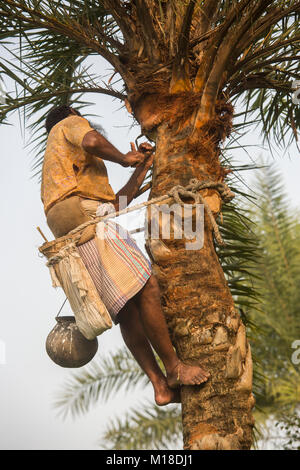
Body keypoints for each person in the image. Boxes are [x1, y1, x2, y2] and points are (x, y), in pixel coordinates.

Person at [41, 105, 209, 406]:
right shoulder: (68, 123)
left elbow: (114, 205)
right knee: (148, 286)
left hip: (74, 231)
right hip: (86, 224)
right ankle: (174, 367)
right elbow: (92, 141)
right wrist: (123, 158)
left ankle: (160, 386)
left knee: (126, 308)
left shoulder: (66, 173)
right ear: (73, 115)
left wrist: (142, 167)